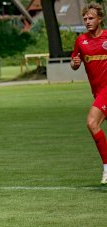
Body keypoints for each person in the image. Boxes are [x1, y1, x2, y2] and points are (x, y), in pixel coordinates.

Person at [71, 2, 107, 184]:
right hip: (98, 92)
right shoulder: (81, 41)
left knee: (92, 123)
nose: (87, 21)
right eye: (85, 19)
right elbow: (74, 61)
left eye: (91, 18)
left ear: (100, 19)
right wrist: (75, 64)